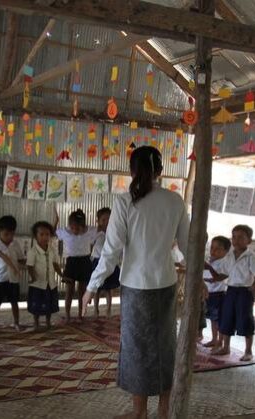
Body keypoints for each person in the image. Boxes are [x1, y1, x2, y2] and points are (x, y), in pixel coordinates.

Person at [83, 146, 189, 419]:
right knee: (166, 346)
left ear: (131, 171)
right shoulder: (175, 200)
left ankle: (139, 413)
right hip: (165, 283)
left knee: (136, 350)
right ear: (160, 171)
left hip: (135, 287)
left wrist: (92, 286)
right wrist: (200, 278)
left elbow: (112, 250)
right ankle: (163, 411)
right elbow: (189, 246)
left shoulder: (124, 202)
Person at [206, 225, 255, 362]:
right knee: (227, 318)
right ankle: (225, 347)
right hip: (231, 290)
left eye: (241, 237)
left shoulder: (250, 256)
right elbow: (224, 274)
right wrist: (212, 275)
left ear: (249, 241)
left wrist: (254, 285)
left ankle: (248, 351)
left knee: (246, 320)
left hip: (244, 291)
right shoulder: (229, 256)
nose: (236, 240)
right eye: (234, 237)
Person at [54, 208, 96, 323]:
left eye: (78, 228)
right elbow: (53, 232)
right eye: (72, 228)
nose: (74, 230)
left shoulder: (90, 231)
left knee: (82, 291)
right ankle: (67, 314)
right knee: (69, 291)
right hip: (71, 262)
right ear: (69, 226)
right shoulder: (65, 231)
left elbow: (102, 230)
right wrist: (56, 220)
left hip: (85, 262)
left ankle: (80, 315)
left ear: (83, 226)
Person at [26, 221, 64, 331]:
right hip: (38, 284)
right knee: (36, 305)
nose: (45, 237)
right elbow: (30, 266)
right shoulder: (32, 251)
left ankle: (48, 322)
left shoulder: (52, 250)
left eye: (47, 234)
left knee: (49, 304)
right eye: (41, 234)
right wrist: (33, 277)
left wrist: (62, 275)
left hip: (50, 283)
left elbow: (55, 264)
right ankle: (36, 323)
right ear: (36, 236)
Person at [0, 215, 24, 332]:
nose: (9, 237)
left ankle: (16, 322)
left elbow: (21, 259)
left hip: (14, 279)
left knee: (14, 302)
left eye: (12, 234)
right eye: (6, 234)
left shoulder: (16, 244)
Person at [201, 236, 231, 350]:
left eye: (218, 249)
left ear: (226, 251)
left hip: (218, 294)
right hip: (209, 293)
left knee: (219, 319)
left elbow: (217, 278)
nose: (213, 251)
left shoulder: (224, 263)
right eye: (212, 248)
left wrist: (208, 269)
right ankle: (214, 339)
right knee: (213, 319)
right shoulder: (210, 261)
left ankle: (220, 341)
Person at [91, 207, 120, 319]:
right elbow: (89, 243)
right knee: (97, 288)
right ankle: (95, 309)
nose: (106, 222)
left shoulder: (114, 232)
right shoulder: (95, 233)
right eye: (103, 220)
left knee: (108, 288)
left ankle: (108, 309)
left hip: (110, 261)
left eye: (109, 219)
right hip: (97, 262)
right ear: (98, 221)